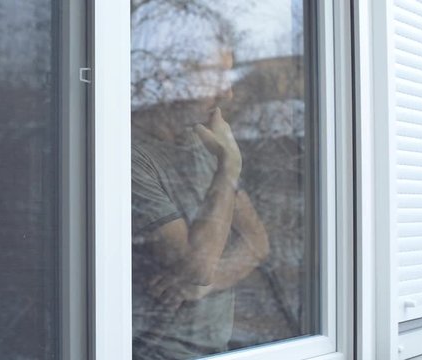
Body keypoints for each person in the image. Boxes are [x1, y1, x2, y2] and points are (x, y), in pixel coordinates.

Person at [131, 2, 270, 359]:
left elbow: (256, 241)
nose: (229, 93)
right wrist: (228, 167)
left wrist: (207, 285)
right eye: (216, 76)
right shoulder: (129, 157)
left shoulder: (203, 143)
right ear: (169, 76)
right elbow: (196, 265)